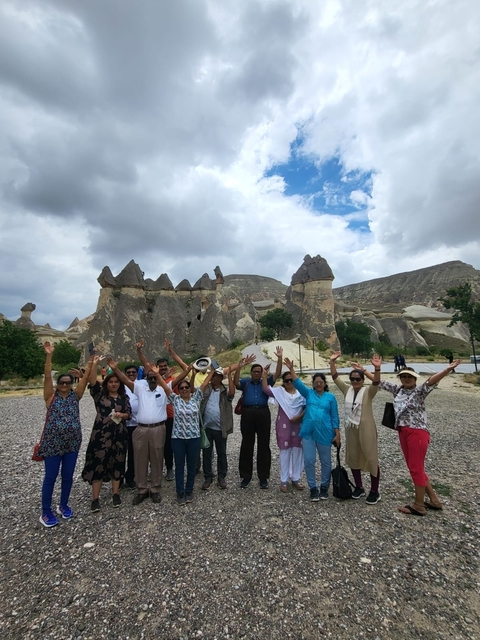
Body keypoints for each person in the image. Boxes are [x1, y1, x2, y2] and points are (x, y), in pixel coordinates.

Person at [378, 361, 460, 515]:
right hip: (403, 431)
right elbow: (379, 382)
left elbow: (432, 380)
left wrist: (447, 369)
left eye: (410, 377)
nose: (407, 379)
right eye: (404, 376)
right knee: (415, 467)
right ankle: (434, 500)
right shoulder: (398, 390)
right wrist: (366, 369)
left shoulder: (419, 391)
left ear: (415, 379)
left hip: (417, 432)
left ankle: (419, 505)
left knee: (416, 468)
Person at [110, 355, 191, 505]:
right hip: (141, 429)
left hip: (158, 429)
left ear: (158, 378)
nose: (153, 380)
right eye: (150, 378)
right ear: (146, 379)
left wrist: (188, 369)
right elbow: (125, 380)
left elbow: (181, 377)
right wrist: (115, 369)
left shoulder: (164, 389)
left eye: (155, 378)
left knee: (157, 459)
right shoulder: (140, 389)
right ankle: (141, 489)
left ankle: (155, 489)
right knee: (139, 460)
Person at [38, 342, 94, 527]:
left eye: (68, 382)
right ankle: (46, 511)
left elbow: (85, 379)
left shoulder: (75, 396)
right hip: (52, 444)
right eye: (61, 382)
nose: (64, 385)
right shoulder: (50, 397)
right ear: (57, 384)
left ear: (71, 384)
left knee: (68, 476)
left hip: (72, 443)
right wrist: (49, 356)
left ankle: (63, 505)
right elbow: (47, 376)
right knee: (51, 477)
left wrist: (91, 362)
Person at [153, 364, 215, 505]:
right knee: (179, 466)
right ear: (179, 391)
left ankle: (189, 490)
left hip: (193, 438)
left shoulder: (196, 397)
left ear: (190, 389)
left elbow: (205, 384)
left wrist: (211, 372)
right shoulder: (175, 399)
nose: (185, 389)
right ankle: (180, 492)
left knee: (191, 466)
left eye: (187, 387)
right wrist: (157, 375)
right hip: (178, 438)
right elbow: (165, 387)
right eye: (182, 388)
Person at [283, 358, 340, 502]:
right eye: (316, 382)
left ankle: (324, 488)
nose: (318, 384)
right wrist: (291, 368)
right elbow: (297, 383)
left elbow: (335, 416)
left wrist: (337, 434)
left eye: (321, 382)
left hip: (326, 433)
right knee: (309, 460)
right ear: (313, 384)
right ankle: (313, 488)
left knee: (326, 461)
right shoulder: (308, 394)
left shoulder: (331, 397)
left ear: (325, 383)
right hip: (308, 432)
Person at [330, 352, 382, 505]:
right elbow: (335, 378)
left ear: (362, 380)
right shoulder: (347, 390)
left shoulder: (368, 392)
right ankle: (359, 487)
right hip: (351, 427)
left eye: (357, 379)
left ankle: (374, 491)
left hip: (366, 428)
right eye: (352, 379)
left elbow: (377, 382)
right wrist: (332, 362)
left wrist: (376, 369)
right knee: (353, 457)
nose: (354, 381)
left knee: (371, 458)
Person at [82, 368, 132, 512]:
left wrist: (122, 415)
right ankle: (95, 498)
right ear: (106, 383)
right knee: (98, 463)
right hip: (101, 436)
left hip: (119, 436)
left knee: (118, 462)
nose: (114, 384)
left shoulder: (124, 398)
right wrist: (94, 363)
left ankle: (115, 493)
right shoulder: (100, 396)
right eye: (111, 382)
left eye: (116, 382)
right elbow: (92, 381)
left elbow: (129, 414)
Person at [234, 349, 283, 489]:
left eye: (258, 371)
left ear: (262, 373)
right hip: (248, 413)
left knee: (264, 445)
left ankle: (263, 477)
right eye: (254, 371)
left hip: (263, 413)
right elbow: (235, 382)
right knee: (246, 445)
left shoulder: (265, 383)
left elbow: (278, 374)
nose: (256, 373)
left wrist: (279, 358)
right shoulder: (246, 382)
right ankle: (245, 476)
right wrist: (239, 366)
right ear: (251, 373)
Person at [261, 369, 306, 493]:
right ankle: (284, 480)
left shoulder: (301, 393)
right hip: (284, 425)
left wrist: (299, 417)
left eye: (292, 380)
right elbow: (266, 390)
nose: (289, 382)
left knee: (298, 451)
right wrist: (264, 376)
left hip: (298, 424)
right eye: (287, 380)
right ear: (284, 382)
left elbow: (307, 406)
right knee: (284, 452)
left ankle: (296, 478)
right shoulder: (280, 392)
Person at [200, 368, 236, 490]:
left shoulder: (224, 391)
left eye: (216, 376)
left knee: (222, 453)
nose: (213, 378)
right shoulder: (207, 389)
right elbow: (201, 388)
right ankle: (208, 476)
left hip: (221, 428)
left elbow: (232, 393)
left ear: (221, 378)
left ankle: (221, 476)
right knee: (206, 453)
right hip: (207, 427)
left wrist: (230, 376)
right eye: (212, 375)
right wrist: (210, 373)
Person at [122, 364, 140, 489]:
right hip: (122, 425)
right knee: (121, 453)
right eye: (129, 372)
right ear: (125, 374)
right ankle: (118, 478)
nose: (131, 374)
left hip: (137, 425)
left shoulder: (141, 385)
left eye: (134, 372)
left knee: (134, 454)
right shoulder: (121, 386)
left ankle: (130, 477)